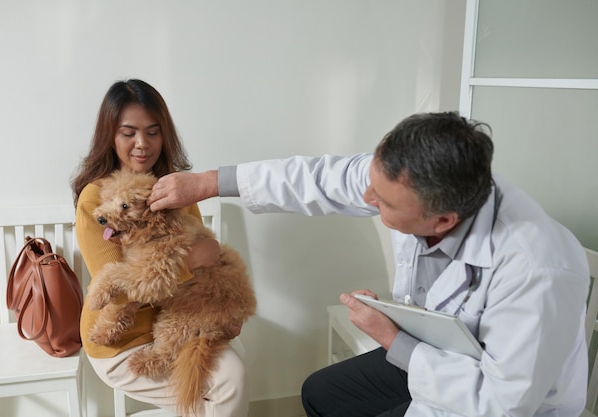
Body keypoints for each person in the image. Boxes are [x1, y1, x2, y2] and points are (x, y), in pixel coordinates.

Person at [147, 111, 590, 417]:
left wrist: (393, 340)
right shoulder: (412, 178)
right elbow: (321, 178)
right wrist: (208, 182)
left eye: (381, 202)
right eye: (371, 184)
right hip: (432, 352)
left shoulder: (539, 269)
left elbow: (501, 403)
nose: (365, 199)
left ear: (443, 220)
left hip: (492, 398)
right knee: (321, 393)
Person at [71, 79, 248, 417]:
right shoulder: (96, 198)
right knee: (230, 382)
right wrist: (188, 261)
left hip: (179, 320)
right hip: (120, 342)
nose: (142, 144)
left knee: (231, 372)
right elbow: (115, 293)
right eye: (129, 133)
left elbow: (208, 260)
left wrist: (220, 305)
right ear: (110, 135)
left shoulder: (177, 189)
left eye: (153, 132)